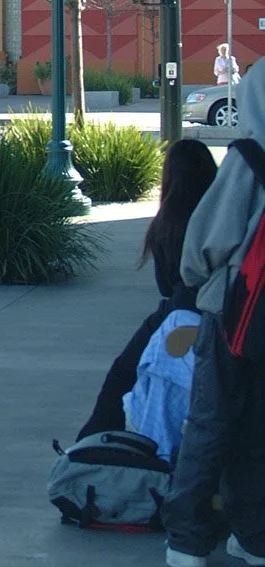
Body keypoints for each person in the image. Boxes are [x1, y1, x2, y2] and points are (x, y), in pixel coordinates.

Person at [163, 57, 265, 567]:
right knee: (257, 428)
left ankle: (188, 539)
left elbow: (208, 240)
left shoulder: (249, 157)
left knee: (210, 421)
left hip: (235, 310)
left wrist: (193, 283)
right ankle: (254, 534)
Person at [77, 139, 216, 439]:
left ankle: (92, 444)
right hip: (224, 308)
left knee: (123, 373)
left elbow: (164, 285)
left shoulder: (168, 220)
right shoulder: (224, 213)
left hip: (181, 308)